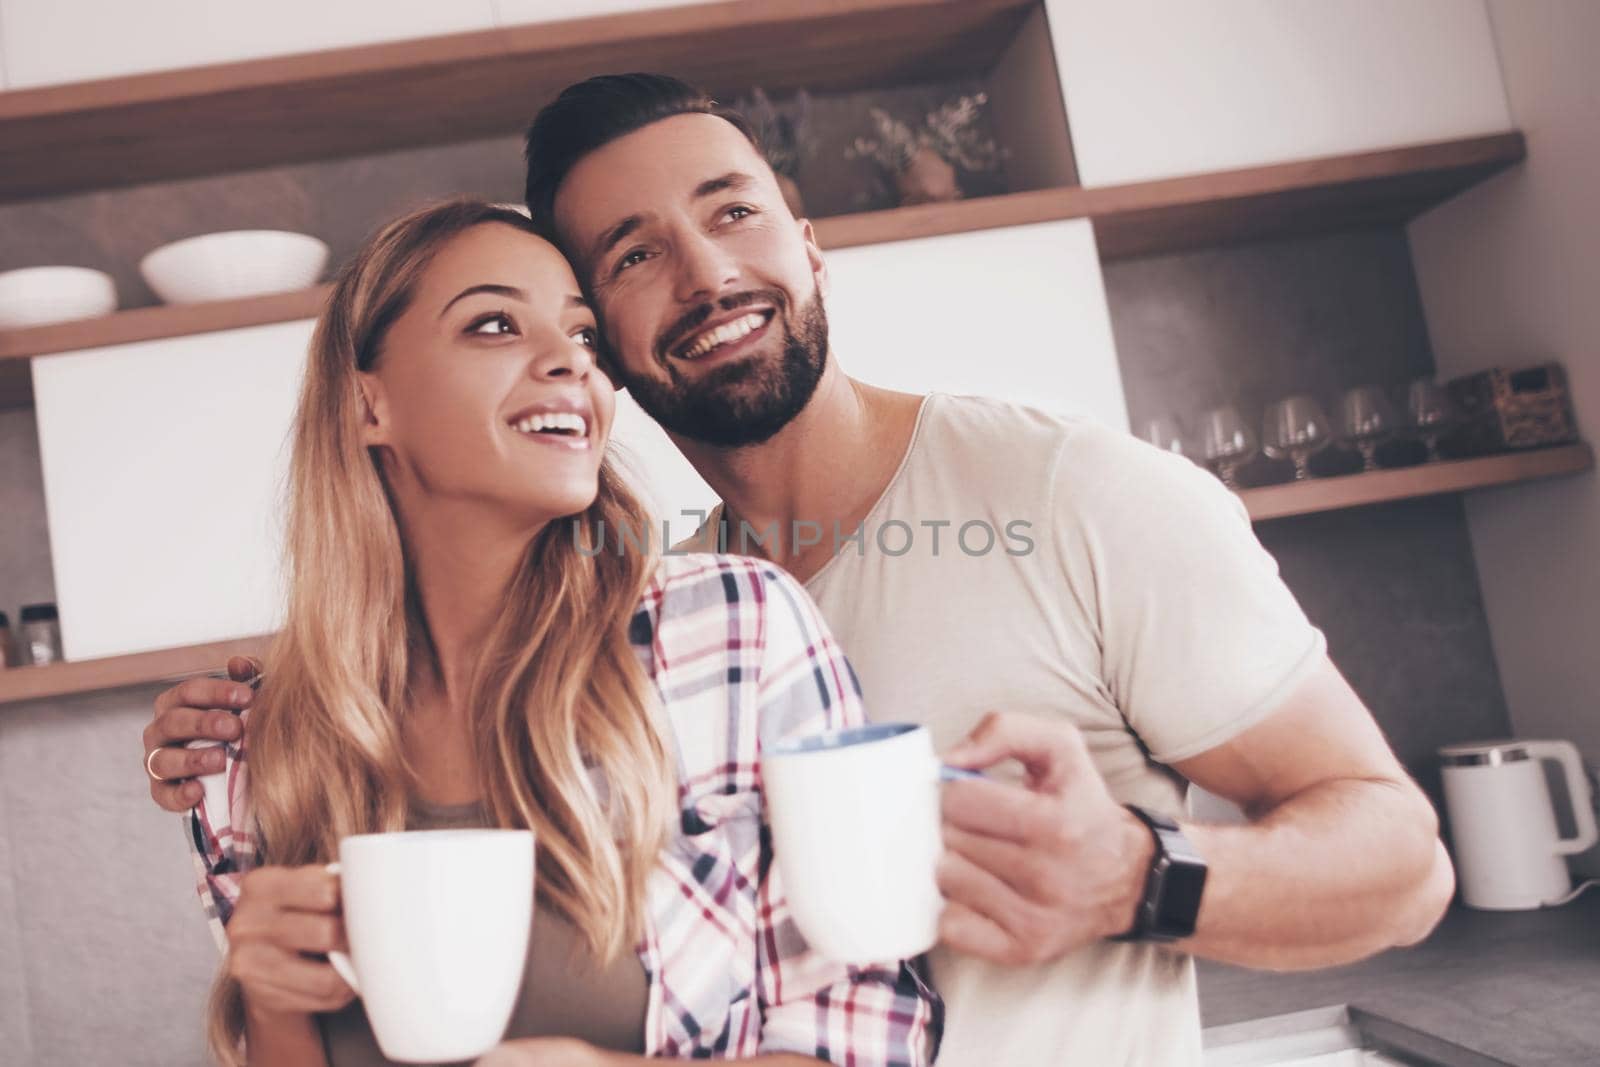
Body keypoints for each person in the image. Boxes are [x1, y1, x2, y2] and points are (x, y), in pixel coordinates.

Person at [148, 75, 1455, 1066]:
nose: (708, 271)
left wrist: (1138, 876)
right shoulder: (674, 611)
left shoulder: (1064, 493)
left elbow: (1404, 864)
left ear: (808, 241)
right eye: (635, 256)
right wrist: (268, 722)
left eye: (732, 213)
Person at [170, 197, 939, 1067]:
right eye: (495, 324)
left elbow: (873, 1029)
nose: (569, 364)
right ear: (368, 405)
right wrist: (270, 1005)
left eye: (583, 338)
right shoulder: (248, 754)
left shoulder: (728, 632)